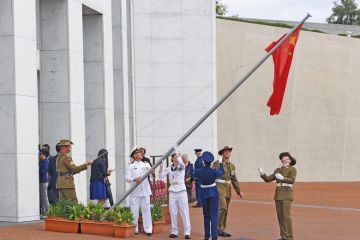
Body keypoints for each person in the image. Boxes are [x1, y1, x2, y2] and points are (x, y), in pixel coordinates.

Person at [258, 152, 297, 240]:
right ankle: (283, 236)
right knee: (280, 217)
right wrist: (262, 173)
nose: (284, 158)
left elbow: (292, 180)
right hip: (278, 195)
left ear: (290, 160)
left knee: (286, 217)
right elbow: (268, 179)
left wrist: (283, 178)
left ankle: (290, 237)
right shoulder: (278, 170)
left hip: (287, 194)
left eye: (286, 157)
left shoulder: (292, 169)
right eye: (283, 157)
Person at [212, 146, 243, 237]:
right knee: (223, 207)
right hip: (219, 187)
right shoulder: (217, 163)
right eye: (225, 151)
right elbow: (213, 173)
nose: (227, 153)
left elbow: (234, 179)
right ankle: (217, 228)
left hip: (228, 188)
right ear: (222, 153)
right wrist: (220, 164)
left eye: (229, 151)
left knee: (226, 210)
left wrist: (239, 191)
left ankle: (222, 229)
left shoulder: (232, 165)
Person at [159, 152, 191, 239]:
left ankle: (187, 232)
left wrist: (178, 154)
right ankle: (174, 231)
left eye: (177, 157)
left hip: (181, 190)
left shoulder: (181, 166)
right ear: (172, 159)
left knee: (184, 212)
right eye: (174, 157)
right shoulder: (169, 168)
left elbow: (182, 164)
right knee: (173, 212)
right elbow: (161, 176)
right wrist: (161, 165)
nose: (176, 158)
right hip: (172, 190)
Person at [194, 151, 224, 240]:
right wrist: (221, 163)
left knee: (206, 215)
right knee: (214, 215)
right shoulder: (214, 171)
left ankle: (207, 236)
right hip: (213, 193)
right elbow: (222, 171)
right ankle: (214, 237)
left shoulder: (199, 171)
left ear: (203, 161)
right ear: (211, 162)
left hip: (203, 193)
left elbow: (194, 175)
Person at [125, 146, 152, 236]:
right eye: (137, 153)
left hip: (145, 192)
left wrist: (153, 172)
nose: (140, 154)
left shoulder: (146, 164)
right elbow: (127, 178)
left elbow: (151, 173)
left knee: (146, 211)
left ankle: (148, 230)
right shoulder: (131, 166)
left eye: (140, 152)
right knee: (134, 211)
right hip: (135, 192)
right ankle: (134, 229)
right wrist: (134, 179)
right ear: (134, 156)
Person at [56, 139, 92, 204]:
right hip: (67, 184)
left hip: (60, 183)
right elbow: (75, 169)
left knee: (63, 205)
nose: (70, 148)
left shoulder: (59, 157)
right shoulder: (67, 158)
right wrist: (86, 164)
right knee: (73, 203)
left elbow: (69, 171)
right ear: (64, 147)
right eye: (69, 146)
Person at [39, 149, 50, 218]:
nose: (39, 155)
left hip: (44, 181)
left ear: (44, 155)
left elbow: (43, 171)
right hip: (42, 181)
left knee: (44, 197)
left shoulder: (45, 162)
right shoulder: (42, 161)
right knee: (42, 197)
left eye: (41, 154)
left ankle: (47, 212)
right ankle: (43, 213)